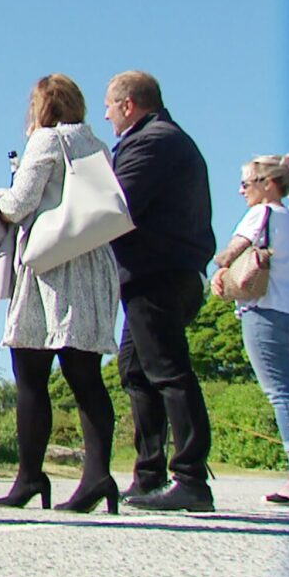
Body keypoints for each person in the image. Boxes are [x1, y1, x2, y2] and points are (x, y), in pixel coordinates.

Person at [0, 75, 121, 514]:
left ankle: (29, 476)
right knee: (86, 375)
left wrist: (2, 196)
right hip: (93, 262)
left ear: (41, 107)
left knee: (30, 372)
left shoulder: (45, 142)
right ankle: (99, 475)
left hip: (52, 265)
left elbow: (18, 203)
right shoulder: (98, 145)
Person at [102, 71, 216, 512]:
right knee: (135, 369)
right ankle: (148, 473)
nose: (107, 115)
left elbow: (117, 204)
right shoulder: (166, 138)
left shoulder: (152, 141)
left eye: (110, 106)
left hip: (159, 273)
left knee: (168, 370)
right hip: (161, 271)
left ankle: (190, 477)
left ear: (128, 104)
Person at [211, 155, 289, 504]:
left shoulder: (261, 213)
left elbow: (229, 254)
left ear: (268, 184)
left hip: (265, 312)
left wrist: (222, 267)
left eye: (247, 184)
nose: (240, 191)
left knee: (280, 392)